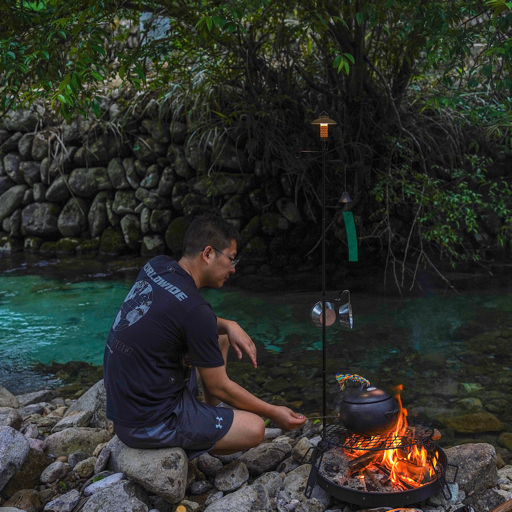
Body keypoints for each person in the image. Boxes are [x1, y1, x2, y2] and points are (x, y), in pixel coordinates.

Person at [103, 214, 306, 457]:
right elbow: (220, 387)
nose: (233, 268)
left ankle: (210, 414)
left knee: (218, 335)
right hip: (148, 423)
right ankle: (206, 428)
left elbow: (174, 316)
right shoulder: (196, 310)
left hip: (128, 407)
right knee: (255, 428)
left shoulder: (156, 266)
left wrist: (229, 325)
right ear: (208, 253)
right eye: (231, 259)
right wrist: (274, 412)